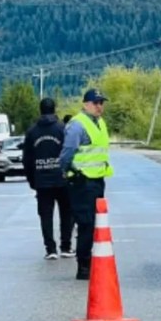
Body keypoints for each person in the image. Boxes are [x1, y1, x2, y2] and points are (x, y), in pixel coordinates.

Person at [60, 88, 114, 280]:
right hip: (82, 181)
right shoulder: (77, 125)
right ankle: (83, 266)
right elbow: (67, 152)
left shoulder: (100, 123)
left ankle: (92, 262)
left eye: (101, 102)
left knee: (95, 224)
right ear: (86, 104)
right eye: (95, 102)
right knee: (86, 224)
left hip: (97, 181)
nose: (99, 106)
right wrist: (68, 172)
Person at [23, 98, 74, 261]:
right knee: (67, 212)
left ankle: (50, 249)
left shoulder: (32, 132)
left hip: (42, 180)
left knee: (46, 215)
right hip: (62, 179)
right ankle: (66, 246)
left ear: (40, 110)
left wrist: (32, 180)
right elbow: (70, 152)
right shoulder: (62, 129)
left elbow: (27, 159)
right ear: (54, 109)